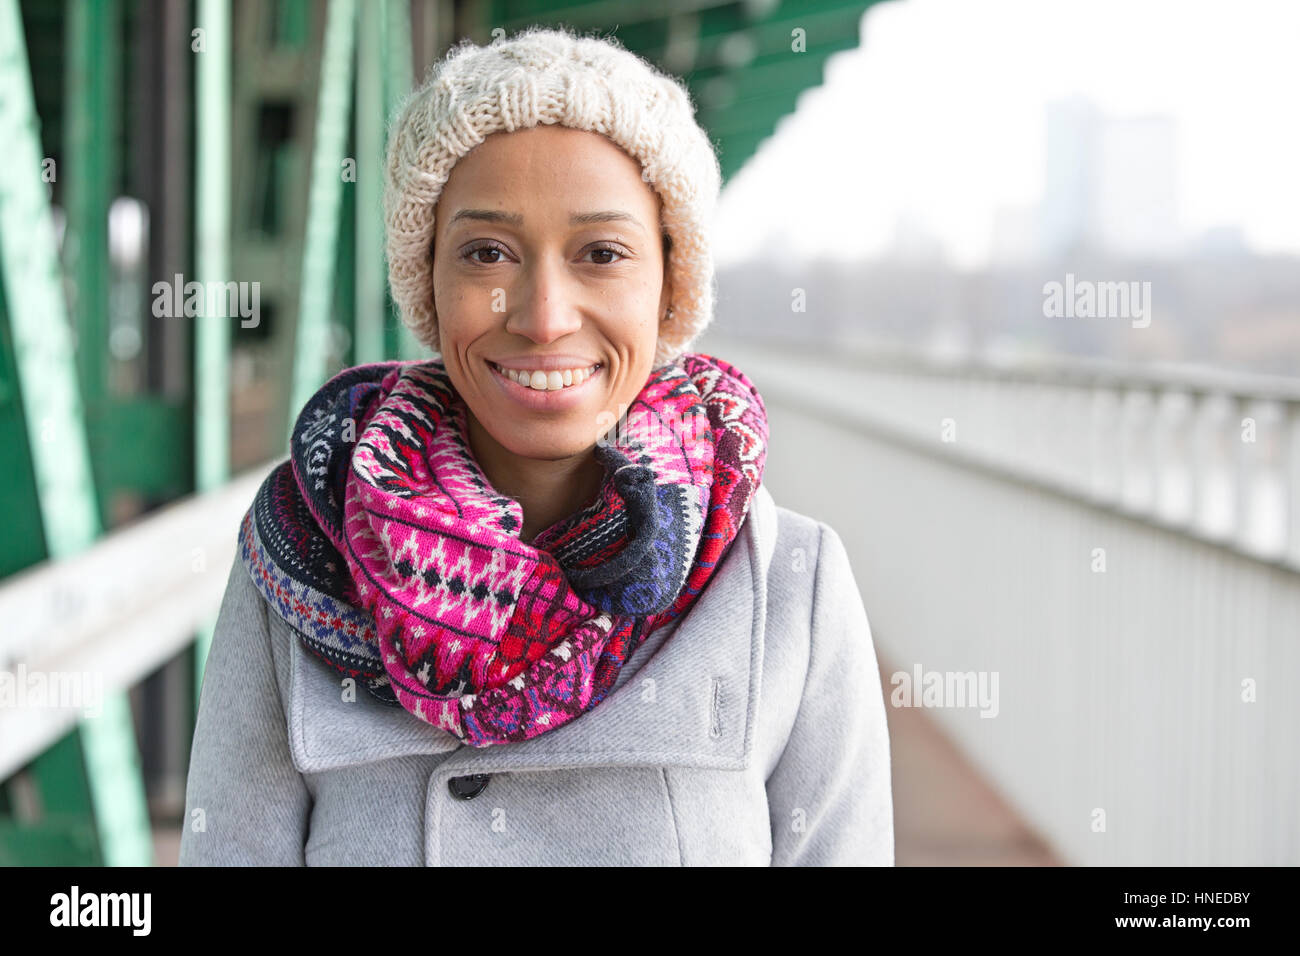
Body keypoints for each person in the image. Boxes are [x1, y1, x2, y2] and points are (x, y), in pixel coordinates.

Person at [179, 24, 893, 866]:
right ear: (429, 282)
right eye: (487, 252)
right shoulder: (303, 559)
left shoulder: (790, 586)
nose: (544, 314)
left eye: (601, 253)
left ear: (671, 287)